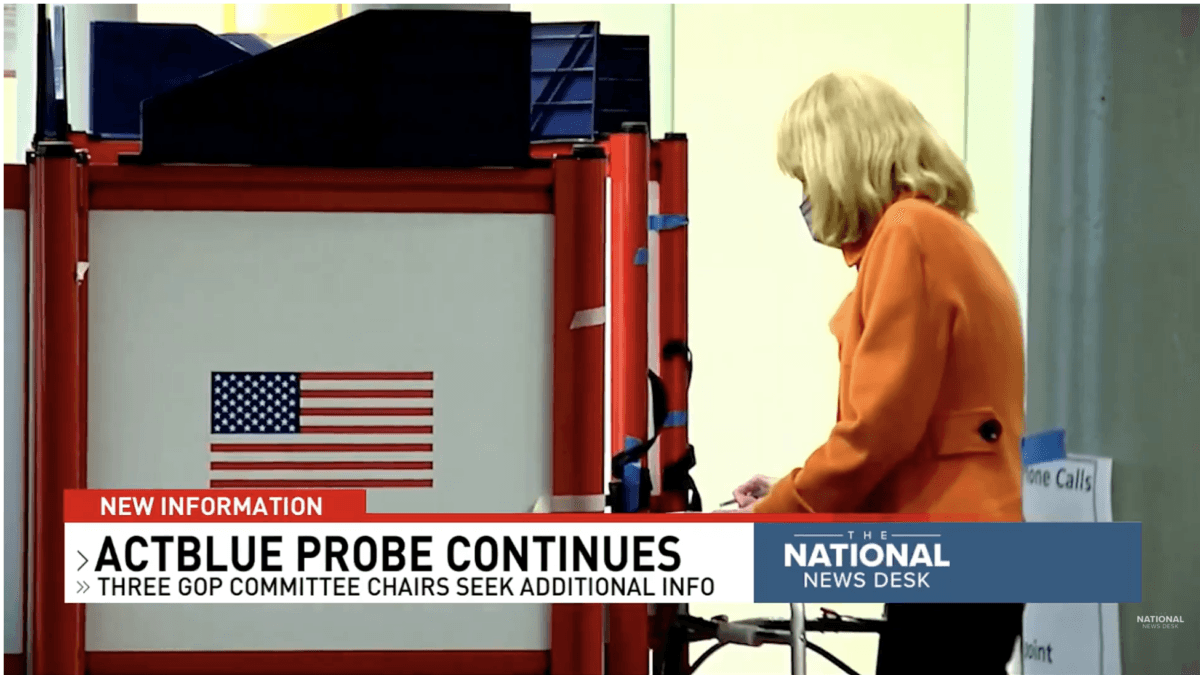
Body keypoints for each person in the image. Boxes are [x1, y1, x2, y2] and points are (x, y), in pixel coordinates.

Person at [727, 71, 1025, 674]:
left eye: (807, 176)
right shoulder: (947, 235)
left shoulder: (908, 234)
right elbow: (921, 432)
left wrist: (781, 510)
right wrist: (795, 490)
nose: (807, 195)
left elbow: (877, 430)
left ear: (840, 163)